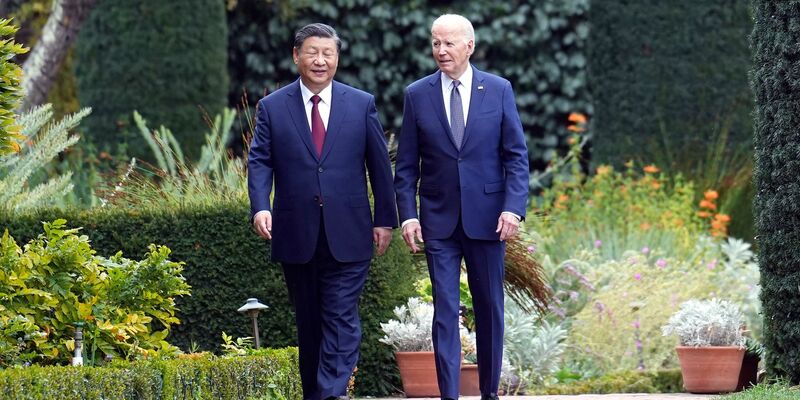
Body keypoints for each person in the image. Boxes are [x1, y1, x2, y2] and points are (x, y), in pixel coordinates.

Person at [247, 23, 397, 400]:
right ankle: (316, 393)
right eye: (312, 52)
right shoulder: (272, 107)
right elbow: (260, 161)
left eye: (328, 53)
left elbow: (379, 166)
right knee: (310, 324)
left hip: (349, 231)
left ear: (337, 58)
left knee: (341, 315)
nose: (320, 60)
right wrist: (260, 207)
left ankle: (331, 394)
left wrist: (384, 220)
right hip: (296, 232)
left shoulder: (360, 103)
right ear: (296, 55)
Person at [393, 14, 530, 400]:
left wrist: (513, 208)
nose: (441, 51)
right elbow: (406, 165)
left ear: (469, 46)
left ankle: (489, 394)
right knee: (444, 311)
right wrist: (408, 213)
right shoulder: (417, 94)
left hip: (489, 221)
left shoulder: (499, 89)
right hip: (438, 220)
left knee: (489, 309)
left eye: (449, 43)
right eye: (436, 43)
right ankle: (449, 396)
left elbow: (516, 157)